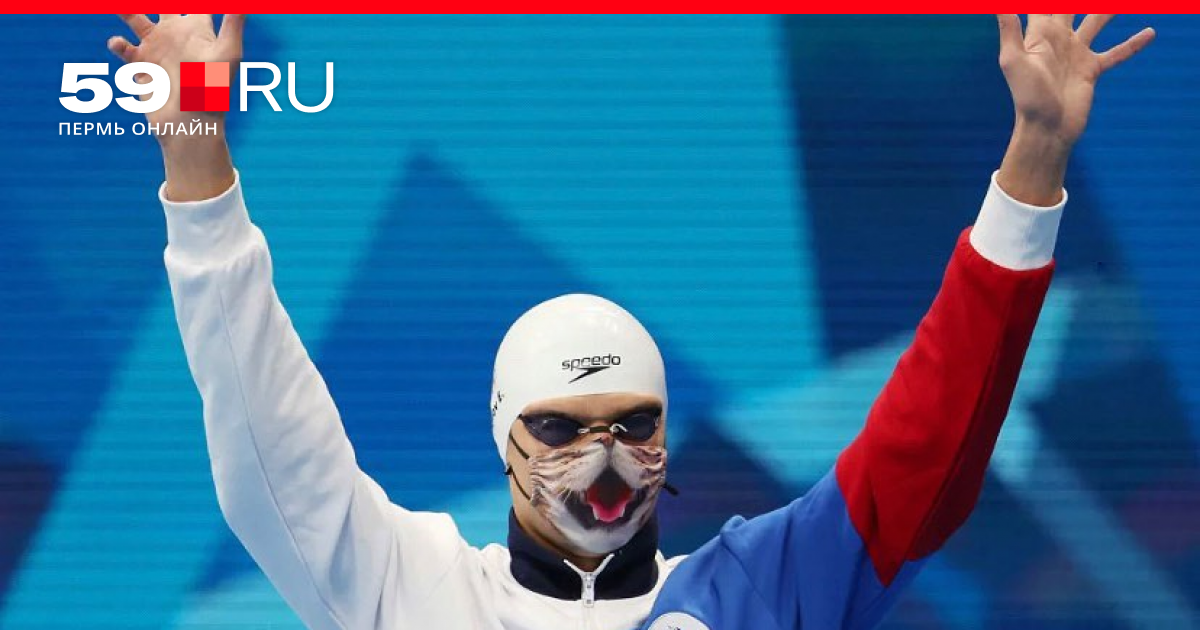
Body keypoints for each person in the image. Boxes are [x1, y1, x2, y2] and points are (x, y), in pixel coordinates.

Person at [105, 13, 1154, 630]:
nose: (602, 454)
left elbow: (929, 449)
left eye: (633, 423)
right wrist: (196, 164)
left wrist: (1034, 162)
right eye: (559, 427)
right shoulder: (413, 590)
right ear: (503, 435)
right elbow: (269, 447)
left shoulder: (761, 590)